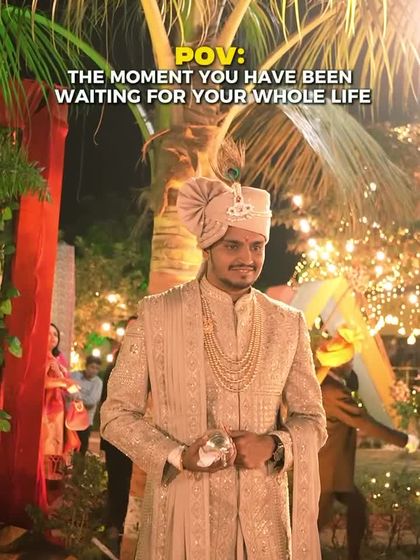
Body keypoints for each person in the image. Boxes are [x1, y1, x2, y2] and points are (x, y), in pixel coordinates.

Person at [101, 156, 327, 559]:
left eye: (256, 246)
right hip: (183, 514)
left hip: (263, 522)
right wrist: (177, 455)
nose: (247, 258)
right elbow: (116, 414)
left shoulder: (287, 323)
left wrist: (274, 445)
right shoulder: (157, 314)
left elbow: (313, 419)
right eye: (231, 245)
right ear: (207, 247)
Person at [316, 327, 419, 560]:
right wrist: (405, 440)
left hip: (333, 468)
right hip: (327, 470)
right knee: (315, 521)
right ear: (341, 363)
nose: (353, 363)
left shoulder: (331, 382)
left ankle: (353, 555)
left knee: (355, 508)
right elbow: (364, 422)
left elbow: (353, 385)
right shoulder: (332, 391)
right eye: (350, 359)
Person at [99, 321, 136, 554]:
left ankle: (130, 532)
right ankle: (114, 527)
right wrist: (105, 440)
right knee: (117, 482)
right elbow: (105, 403)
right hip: (117, 438)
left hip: (143, 437)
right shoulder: (114, 366)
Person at [42, 324, 80, 483]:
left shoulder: (57, 359)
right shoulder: (42, 357)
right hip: (47, 412)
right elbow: (41, 382)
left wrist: (70, 388)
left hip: (60, 410)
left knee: (60, 449)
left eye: (55, 334)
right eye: (48, 333)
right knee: (49, 448)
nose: (53, 337)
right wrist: (63, 382)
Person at [71, 356, 103, 455]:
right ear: (86, 366)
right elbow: (66, 391)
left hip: (85, 421)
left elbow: (91, 401)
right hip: (70, 419)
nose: (94, 370)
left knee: (81, 449)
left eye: (97, 368)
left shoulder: (98, 383)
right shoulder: (74, 376)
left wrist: (77, 396)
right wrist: (77, 397)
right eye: (92, 367)